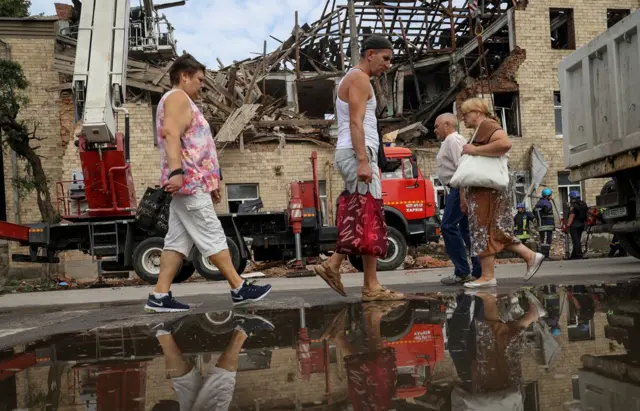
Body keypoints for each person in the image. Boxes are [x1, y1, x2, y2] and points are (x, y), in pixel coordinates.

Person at [144, 53, 272, 313]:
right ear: (184, 76)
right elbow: (171, 134)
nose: (202, 85)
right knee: (211, 233)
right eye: (200, 79)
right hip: (189, 182)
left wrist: (211, 183)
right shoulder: (178, 97)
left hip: (191, 182)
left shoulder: (180, 101)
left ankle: (159, 296)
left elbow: (197, 146)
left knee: (176, 242)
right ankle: (238, 287)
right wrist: (177, 172)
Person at [312, 35, 404, 302]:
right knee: (367, 214)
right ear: (370, 53)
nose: (388, 65)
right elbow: (355, 122)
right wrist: (363, 159)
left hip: (356, 153)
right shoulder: (360, 79)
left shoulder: (356, 79)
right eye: (386, 59)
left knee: (367, 215)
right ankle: (340, 269)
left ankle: (366, 282)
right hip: (356, 154)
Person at [456, 98, 545, 289]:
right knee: (493, 230)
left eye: (465, 113)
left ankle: (489, 276)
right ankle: (527, 257)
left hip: (487, 190)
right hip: (485, 189)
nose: (463, 118)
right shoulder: (481, 129)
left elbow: (505, 144)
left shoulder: (487, 125)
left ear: (478, 112)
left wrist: (476, 150)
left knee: (483, 229)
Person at [434, 112, 482, 285]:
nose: (435, 130)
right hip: (458, 189)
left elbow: (462, 168)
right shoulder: (450, 141)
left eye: (437, 126)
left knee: (447, 226)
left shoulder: (453, 141)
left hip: (460, 188)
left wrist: (462, 196)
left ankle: (462, 271)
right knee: (466, 231)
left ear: (447, 125)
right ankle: (478, 271)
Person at [534, 189, 556, 258]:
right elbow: (546, 210)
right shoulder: (545, 203)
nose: (551, 197)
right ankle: (544, 255)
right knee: (546, 241)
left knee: (544, 240)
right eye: (550, 195)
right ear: (547, 196)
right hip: (546, 225)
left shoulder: (540, 202)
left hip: (544, 225)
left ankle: (545, 254)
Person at [566, 191, 588, 259]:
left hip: (575, 225)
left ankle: (579, 254)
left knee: (576, 241)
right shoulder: (583, 203)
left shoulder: (573, 205)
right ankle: (574, 255)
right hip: (582, 224)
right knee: (577, 240)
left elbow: (572, 215)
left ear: (572, 197)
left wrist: (568, 225)